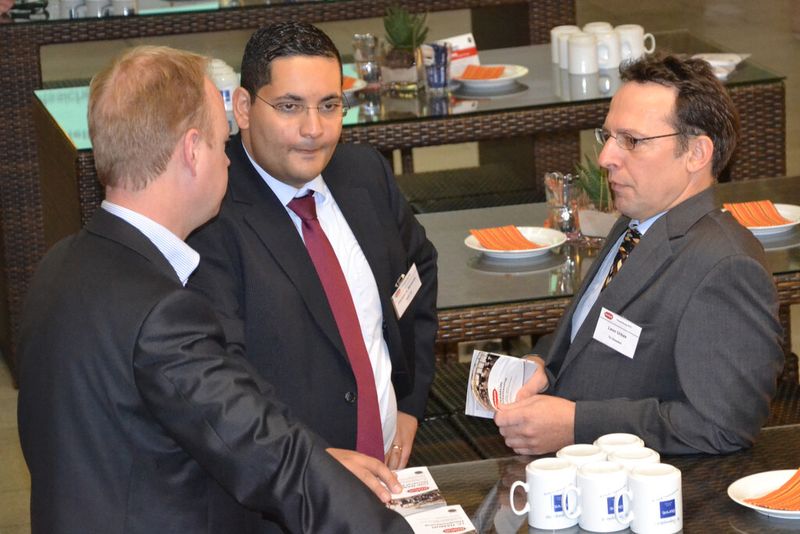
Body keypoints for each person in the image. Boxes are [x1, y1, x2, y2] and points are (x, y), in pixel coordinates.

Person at [16, 45, 412, 534]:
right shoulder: (161, 311)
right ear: (192, 151)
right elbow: (262, 451)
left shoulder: (60, 264)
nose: (228, 161)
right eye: (223, 143)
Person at [187, 21, 438, 503]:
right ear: (243, 108)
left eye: (329, 106)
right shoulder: (211, 213)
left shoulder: (364, 174)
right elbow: (221, 377)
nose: (313, 130)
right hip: (286, 496)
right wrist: (310, 463)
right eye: (289, 106)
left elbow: (417, 274)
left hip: (392, 478)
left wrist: (410, 402)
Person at [495, 52, 783, 456]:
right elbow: (592, 334)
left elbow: (723, 426)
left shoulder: (727, 267)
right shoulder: (636, 222)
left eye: (632, 141)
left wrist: (576, 425)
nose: (605, 158)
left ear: (696, 154)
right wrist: (542, 365)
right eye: (608, 137)